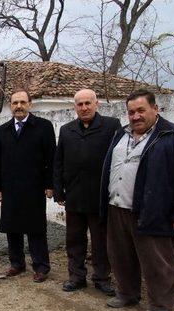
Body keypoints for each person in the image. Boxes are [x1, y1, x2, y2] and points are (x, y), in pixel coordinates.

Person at [101, 89, 174, 311]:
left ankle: (160, 305)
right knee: (121, 255)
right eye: (131, 112)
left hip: (153, 210)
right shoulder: (120, 135)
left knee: (157, 260)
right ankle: (127, 293)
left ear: (155, 109)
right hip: (117, 206)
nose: (135, 116)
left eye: (141, 110)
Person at [53, 89, 121, 295]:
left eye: (87, 103)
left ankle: (102, 278)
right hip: (74, 194)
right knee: (74, 239)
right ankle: (76, 276)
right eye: (80, 104)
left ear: (96, 104)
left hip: (99, 196)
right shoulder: (67, 130)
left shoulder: (111, 126)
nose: (84, 108)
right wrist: (59, 191)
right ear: (75, 107)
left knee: (101, 241)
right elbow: (59, 162)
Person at [0, 89, 55, 282]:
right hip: (10, 187)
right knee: (13, 227)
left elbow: (51, 158)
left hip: (34, 187)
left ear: (30, 104)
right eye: (15, 103)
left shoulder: (43, 127)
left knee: (36, 228)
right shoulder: (2, 131)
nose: (18, 106)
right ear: (10, 105)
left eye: (22, 102)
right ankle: (17, 264)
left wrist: (50, 184)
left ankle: (41, 266)